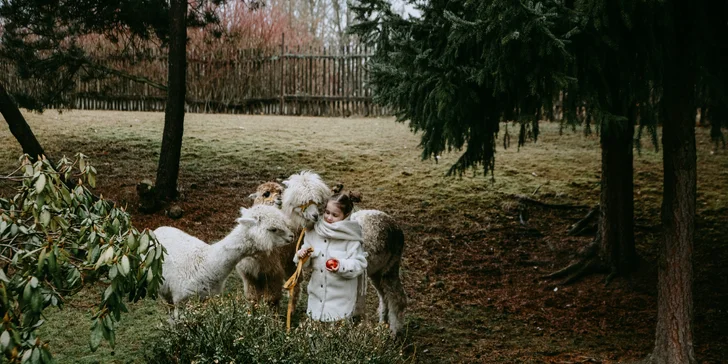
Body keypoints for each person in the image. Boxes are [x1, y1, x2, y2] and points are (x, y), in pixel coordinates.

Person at [294, 191, 367, 322]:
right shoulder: (314, 232)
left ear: (346, 216)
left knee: (336, 337)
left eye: (335, 215)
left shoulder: (351, 238)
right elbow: (306, 265)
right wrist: (302, 256)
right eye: (327, 212)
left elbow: (359, 264)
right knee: (315, 336)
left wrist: (341, 266)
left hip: (340, 302)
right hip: (316, 298)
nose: (328, 217)